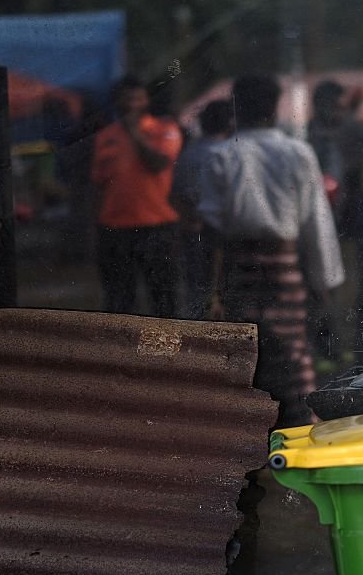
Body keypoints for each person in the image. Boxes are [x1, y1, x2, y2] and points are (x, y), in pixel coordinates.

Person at [197, 73, 345, 429]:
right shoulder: (296, 152)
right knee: (292, 349)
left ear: (237, 107)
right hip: (285, 266)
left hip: (238, 266)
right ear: (275, 106)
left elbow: (210, 229)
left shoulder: (220, 155)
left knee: (243, 349)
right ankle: (298, 425)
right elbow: (316, 221)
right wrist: (323, 280)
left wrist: (209, 289)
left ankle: (251, 428)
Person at [90, 74, 183, 317]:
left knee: (164, 299)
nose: (132, 105)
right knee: (119, 301)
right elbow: (99, 182)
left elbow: (158, 164)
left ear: (146, 102)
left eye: (137, 99)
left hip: (157, 226)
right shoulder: (105, 137)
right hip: (115, 229)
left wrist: (134, 134)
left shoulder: (165, 130)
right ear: (116, 102)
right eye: (126, 100)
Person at [170, 98, 235, 319]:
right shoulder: (228, 153)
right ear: (229, 123)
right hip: (221, 233)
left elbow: (176, 194)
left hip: (192, 230)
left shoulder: (189, 152)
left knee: (197, 290)